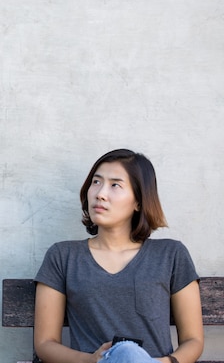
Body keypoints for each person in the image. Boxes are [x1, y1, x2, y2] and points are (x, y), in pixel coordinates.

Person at [34, 149, 204, 363]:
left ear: (139, 202)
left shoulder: (171, 255)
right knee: (124, 353)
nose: (100, 193)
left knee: (130, 354)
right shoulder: (63, 256)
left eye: (115, 185)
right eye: (96, 182)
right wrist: (93, 360)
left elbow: (193, 340)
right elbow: (45, 343)